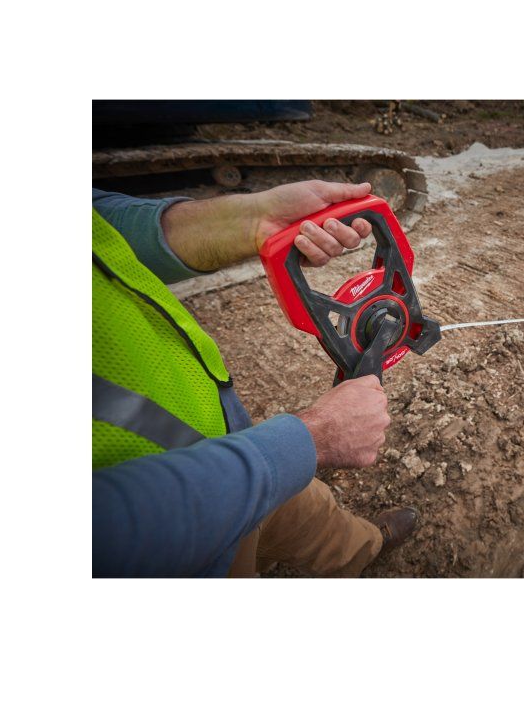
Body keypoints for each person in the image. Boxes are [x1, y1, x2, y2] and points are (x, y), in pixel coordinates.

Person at [92, 180, 417, 577]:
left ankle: (365, 547)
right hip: (182, 544)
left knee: (311, 512)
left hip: (237, 443)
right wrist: (312, 438)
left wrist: (255, 220)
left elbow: (102, 227)